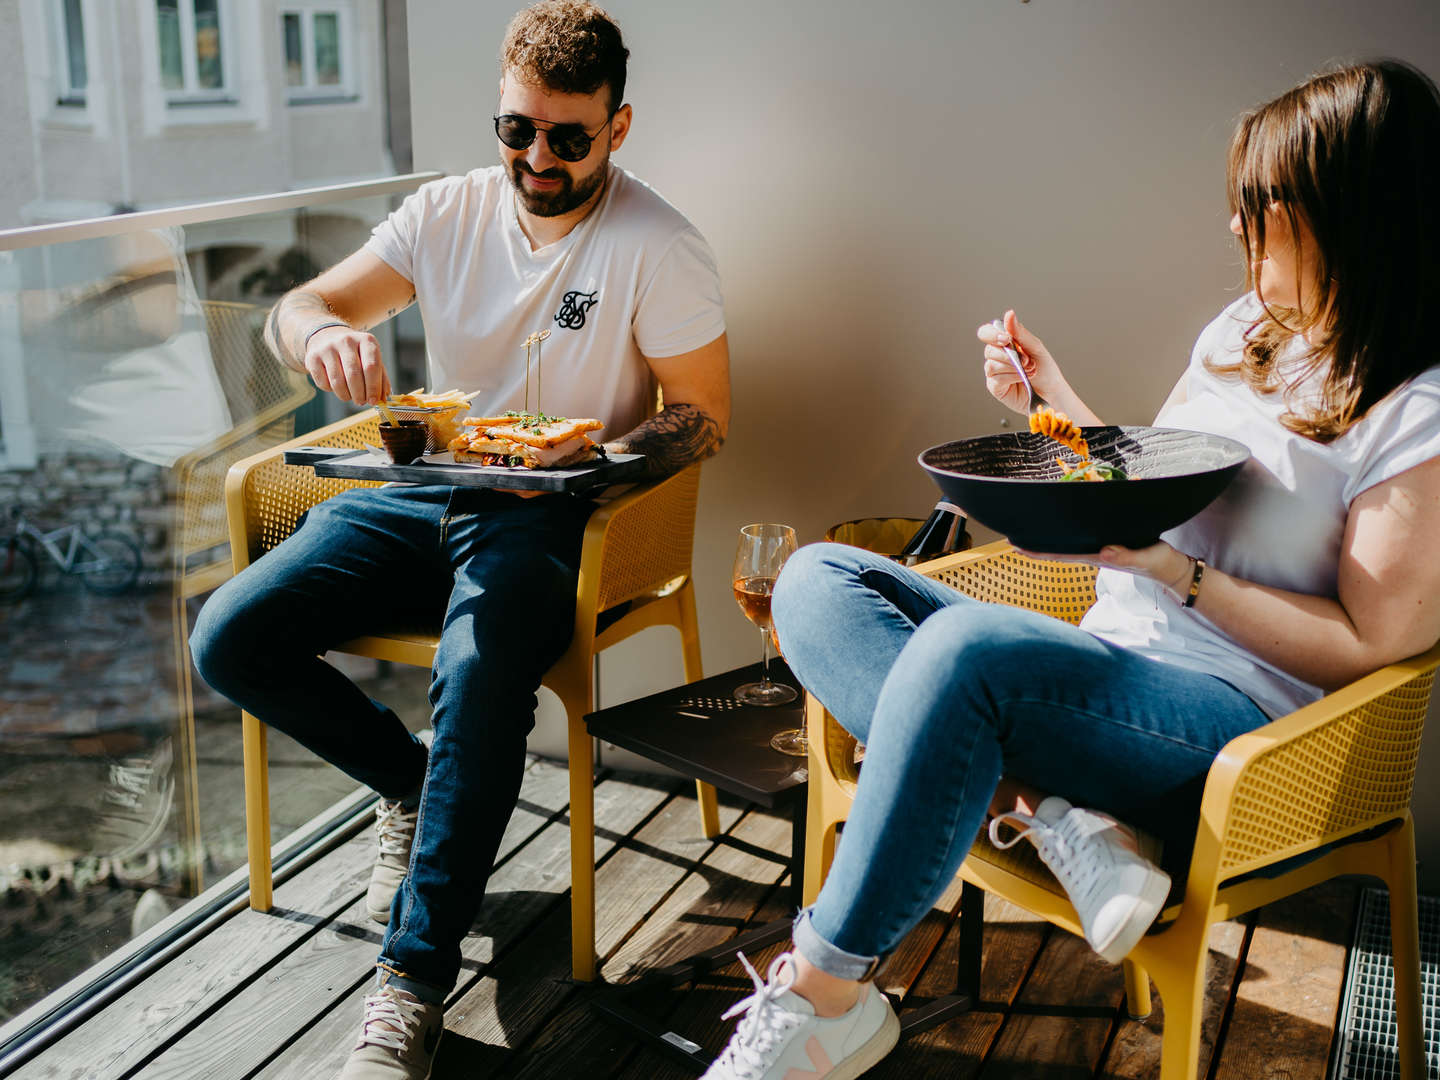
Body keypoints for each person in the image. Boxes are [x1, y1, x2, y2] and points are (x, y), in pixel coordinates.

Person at [700, 58, 1440, 1080]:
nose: (1235, 225)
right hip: (1100, 667)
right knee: (819, 579)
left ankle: (829, 994)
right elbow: (1159, 482)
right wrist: (1054, 403)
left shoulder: (1415, 413)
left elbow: (1374, 648)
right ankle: (1052, 809)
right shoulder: (1243, 336)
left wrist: (1182, 581)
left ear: (1348, 211)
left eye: (1260, 203)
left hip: (1237, 722)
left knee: (966, 651)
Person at [189, 3, 730, 1077]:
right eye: (516, 132)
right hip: (420, 487)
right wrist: (327, 334)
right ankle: (415, 785)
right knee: (229, 636)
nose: (538, 158)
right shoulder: (446, 213)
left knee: (483, 675)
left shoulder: (658, 245)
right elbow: (295, 306)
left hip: (549, 513)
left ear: (617, 130)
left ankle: (411, 982)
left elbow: (704, 413)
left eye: (568, 138)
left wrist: (591, 463)